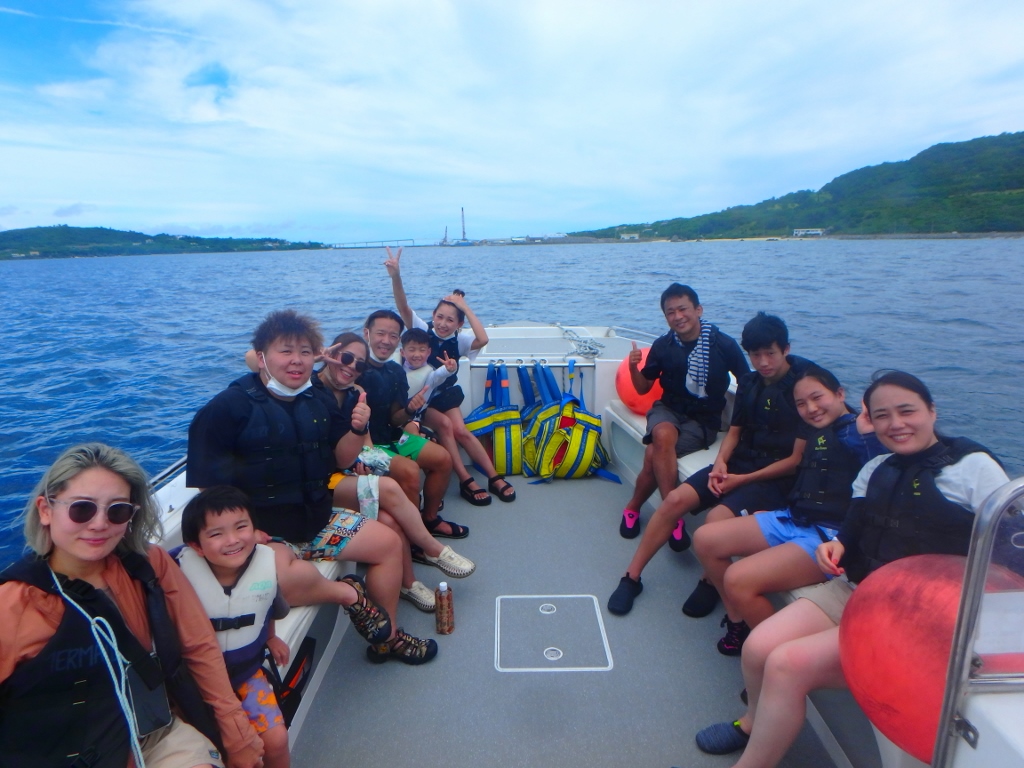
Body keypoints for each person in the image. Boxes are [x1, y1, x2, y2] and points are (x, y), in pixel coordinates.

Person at [689, 370, 1009, 767]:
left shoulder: (973, 469)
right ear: (870, 422)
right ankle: (754, 721)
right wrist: (834, 548)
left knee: (787, 665)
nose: (896, 424)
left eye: (906, 411)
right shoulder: (876, 470)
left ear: (931, 410)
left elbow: (1010, 550)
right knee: (756, 648)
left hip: (917, 615)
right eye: (882, 416)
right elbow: (851, 534)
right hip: (856, 589)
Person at [188, 309, 436, 665]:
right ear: (261, 358)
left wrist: (355, 429)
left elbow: (340, 458)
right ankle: (349, 593)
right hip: (265, 533)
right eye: (285, 351)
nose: (297, 361)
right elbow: (207, 490)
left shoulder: (316, 400)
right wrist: (243, 532)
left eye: (305, 352)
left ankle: (388, 637)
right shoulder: (228, 408)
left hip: (317, 520)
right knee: (285, 580)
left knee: (389, 543)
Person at [0, 443, 264, 768]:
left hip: (154, 733)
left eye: (117, 511)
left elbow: (199, 644)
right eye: (82, 509)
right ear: (45, 509)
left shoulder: (149, 565)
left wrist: (235, 729)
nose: (99, 524)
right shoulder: (13, 605)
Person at [608, 311, 812, 618]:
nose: (763, 362)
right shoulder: (750, 382)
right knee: (674, 499)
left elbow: (795, 461)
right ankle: (631, 577)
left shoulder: (805, 385)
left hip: (774, 478)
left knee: (715, 519)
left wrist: (739, 481)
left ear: (786, 349)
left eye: (770, 353)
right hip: (740, 463)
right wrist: (720, 464)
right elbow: (735, 431)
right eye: (755, 355)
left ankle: (710, 582)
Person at [691, 365, 884, 656]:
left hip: (827, 538)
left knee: (738, 579)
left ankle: (772, 657)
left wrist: (873, 428)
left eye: (818, 398)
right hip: (793, 518)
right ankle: (738, 620)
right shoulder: (818, 433)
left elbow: (881, 453)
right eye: (802, 404)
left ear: (840, 393)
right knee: (705, 538)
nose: (812, 408)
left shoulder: (858, 433)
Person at [316, 331, 475, 612]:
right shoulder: (309, 389)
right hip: (323, 482)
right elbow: (258, 361)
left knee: (391, 518)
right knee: (393, 486)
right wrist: (313, 357)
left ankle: (408, 582)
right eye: (345, 358)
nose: (351, 367)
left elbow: (358, 443)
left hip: (350, 466)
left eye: (358, 364)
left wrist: (410, 419)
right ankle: (431, 548)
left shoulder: (354, 393)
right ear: (330, 354)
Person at [385, 247, 516, 506]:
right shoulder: (423, 330)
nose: (443, 323)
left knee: (462, 431)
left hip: (446, 395)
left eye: (451, 319)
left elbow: (484, 338)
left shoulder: (462, 339)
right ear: (433, 317)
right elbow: (402, 304)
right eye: (439, 317)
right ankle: (466, 479)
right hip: (425, 398)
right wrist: (395, 276)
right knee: (446, 427)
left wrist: (464, 306)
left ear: (459, 324)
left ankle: (493, 476)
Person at [617, 283, 749, 540]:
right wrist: (634, 368)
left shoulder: (723, 344)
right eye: (670, 312)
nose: (677, 317)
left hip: (704, 420)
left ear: (698, 310)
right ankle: (673, 516)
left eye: (683, 309)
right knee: (663, 436)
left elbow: (747, 384)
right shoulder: (664, 346)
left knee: (655, 452)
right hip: (667, 410)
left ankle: (633, 508)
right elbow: (643, 389)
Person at [176, 486, 292, 768]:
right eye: (216, 534)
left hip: (247, 673)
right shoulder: (176, 572)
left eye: (241, 527)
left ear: (255, 529)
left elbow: (268, 608)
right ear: (196, 546)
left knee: (276, 740)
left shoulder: (263, 566)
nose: (232, 540)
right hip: (192, 683)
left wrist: (272, 638)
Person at [358, 308, 467, 540]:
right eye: (380, 334)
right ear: (367, 333)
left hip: (393, 438)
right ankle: (413, 536)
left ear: (398, 340)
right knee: (410, 471)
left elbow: (395, 418)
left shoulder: (395, 371)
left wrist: (409, 410)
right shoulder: (353, 369)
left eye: (393, 335)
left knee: (443, 458)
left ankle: (429, 519)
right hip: (367, 446)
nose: (386, 341)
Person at [400, 327, 458, 422]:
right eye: (412, 350)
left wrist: (449, 369)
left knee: (445, 423)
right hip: (396, 417)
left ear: (428, 352)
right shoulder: (395, 368)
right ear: (402, 352)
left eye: (422, 350)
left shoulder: (431, 375)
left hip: (415, 419)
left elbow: (439, 375)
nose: (417, 354)